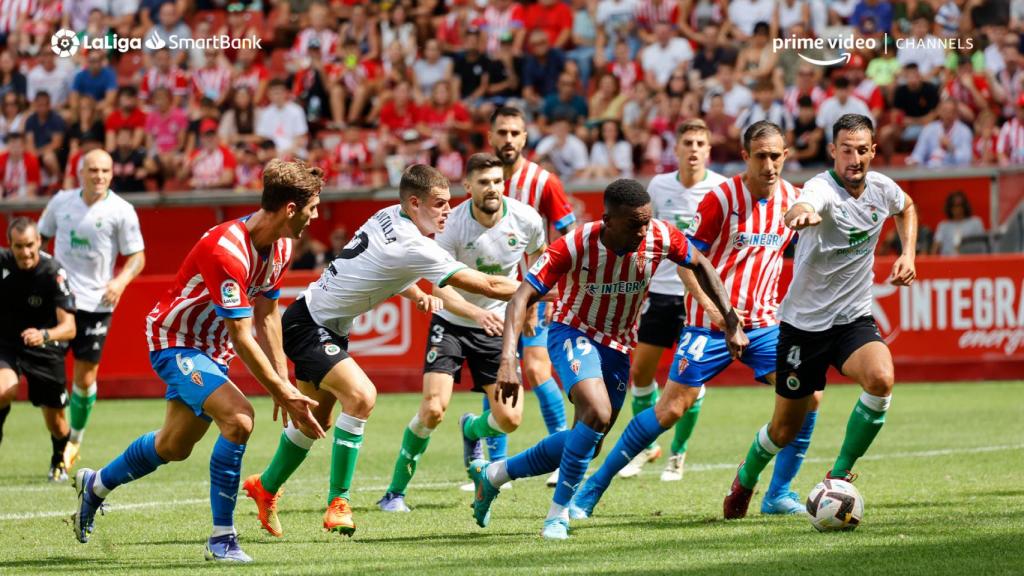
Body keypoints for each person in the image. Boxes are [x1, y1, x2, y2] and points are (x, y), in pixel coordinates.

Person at [242, 164, 528, 539]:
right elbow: (487, 285)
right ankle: (339, 502)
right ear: (415, 203)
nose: (447, 210)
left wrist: (419, 294)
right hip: (308, 325)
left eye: (448, 202)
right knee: (362, 396)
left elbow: (385, 267)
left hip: (321, 320)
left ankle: (264, 486)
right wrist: (544, 286)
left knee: (314, 422)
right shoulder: (415, 245)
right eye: (439, 203)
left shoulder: (389, 215)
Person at [71, 160, 327, 563]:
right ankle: (222, 539)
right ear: (290, 209)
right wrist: (281, 392)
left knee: (173, 446)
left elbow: (266, 313)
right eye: (312, 208)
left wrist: (284, 377)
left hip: (212, 350)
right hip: (175, 342)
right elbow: (242, 335)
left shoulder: (282, 245)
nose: (316, 217)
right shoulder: (225, 250)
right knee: (239, 419)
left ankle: (96, 485)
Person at [467, 178, 748, 540]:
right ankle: (557, 516)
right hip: (573, 331)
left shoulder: (660, 235)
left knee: (589, 440)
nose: (643, 231)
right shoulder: (574, 245)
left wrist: (730, 320)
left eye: (647, 221)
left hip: (619, 346)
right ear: (608, 221)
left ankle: (493, 475)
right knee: (597, 412)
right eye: (634, 224)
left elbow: (700, 263)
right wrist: (509, 358)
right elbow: (521, 297)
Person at [572, 121, 819, 519]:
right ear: (746, 156)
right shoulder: (721, 199)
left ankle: (775, 492)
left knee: (808, 396)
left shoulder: (794, 200)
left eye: (776, 156)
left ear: (786, 156)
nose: (770, 165)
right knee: (670, 409)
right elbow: (688, 263)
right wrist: (719, 315)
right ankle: (591, 489)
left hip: (764, 326)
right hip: (711, 327)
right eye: (761, 156)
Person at [722, 113, 918, 519]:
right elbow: (800, 206)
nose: (854, 159)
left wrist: (908, 253)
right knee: (783, 429)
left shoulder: (883, 189)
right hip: (804, 327)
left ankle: (839, 475)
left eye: (861, 150)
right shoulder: (821, 188)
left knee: (881, 379)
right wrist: (800, 214)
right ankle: (747, 475)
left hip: (853, 320)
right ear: (833, 151)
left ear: (873, 151)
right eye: (846, 150)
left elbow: (907, 206)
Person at [377, 154, 547, 512]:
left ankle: (471, 429)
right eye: (484, 182)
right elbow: (440, 288)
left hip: (498, 327)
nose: (492, 188)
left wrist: (530, 309)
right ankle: (394, 493)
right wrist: (476, 313)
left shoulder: (527, 219)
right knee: (433, 409)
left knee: (510, 420)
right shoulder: (450, 224)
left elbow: (539, 263)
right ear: (468, 186)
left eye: (497, 181)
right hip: (452, 323)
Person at [615, 119, 727, 480]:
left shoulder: (720, 189)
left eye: (700, 143)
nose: (693, 149)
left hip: (697, 298)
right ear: (676, 149)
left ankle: (678, 452)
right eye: (687, 143)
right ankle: (647, 446)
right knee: (640, 372)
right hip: (661, 292)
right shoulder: (659, 186)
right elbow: (644, 234)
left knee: (692, 378)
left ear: (708, 150)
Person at [39, 150, 146, 472]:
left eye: (105, 171)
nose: (99, 176)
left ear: (112, 174)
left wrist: (120, 282)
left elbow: (137, 256)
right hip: (59, 302)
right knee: (50, 379)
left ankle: (74, 441)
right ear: (80, 172)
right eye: (93, 170)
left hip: (97, 304)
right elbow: (39, 239)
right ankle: (58, 445)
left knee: (84, 379)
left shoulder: (122, 210)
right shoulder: (61, 202)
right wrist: (42, 279)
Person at [489, 106, 577, 487]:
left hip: (535, 293)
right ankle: (495, 465)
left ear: (525, 138)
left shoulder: (543, 182)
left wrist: (551, 291)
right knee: (494, 371)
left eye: (515, 133)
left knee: (538, 369)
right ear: (491, 136)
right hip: (493, 293)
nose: (508, 139)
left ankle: (562, 452)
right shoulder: (485, 179)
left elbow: (570, 236)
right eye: (502, 132)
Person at [0, 218, 77, 480]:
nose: (25, 252)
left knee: (56, 423)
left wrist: (43, 335)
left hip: (45, 345)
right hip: (7, 343)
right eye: (18, 246)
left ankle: (59, 458)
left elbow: (69, 328)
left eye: (30, 245)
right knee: (2, 390)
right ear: (10, 245)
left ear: (39, 242)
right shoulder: (3, 263)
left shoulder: (53, 272)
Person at [930, 191, 986, 255]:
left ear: (965, 206)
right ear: (949, 207)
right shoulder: (943, 226)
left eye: (960, 205)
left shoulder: (975, 222)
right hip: (947, 259)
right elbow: (936, 246)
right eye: (953, 206)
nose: (957, 209)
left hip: (969, 258)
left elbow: (982, 245)